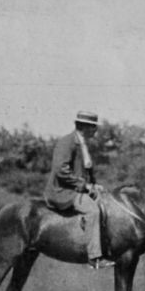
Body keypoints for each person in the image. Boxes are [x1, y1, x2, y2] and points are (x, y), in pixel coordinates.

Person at [44, 110, 107, 266]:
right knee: (93, 210)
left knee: (106, 203)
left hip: (77, 188)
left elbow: (86, 170)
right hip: (63, 191)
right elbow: (61, 170)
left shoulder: (84, 144)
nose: (95, 130)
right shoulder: (67, 142)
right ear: (84, 127)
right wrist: (84, 186)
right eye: (93, 127)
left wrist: (94, 184)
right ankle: (94, 257)